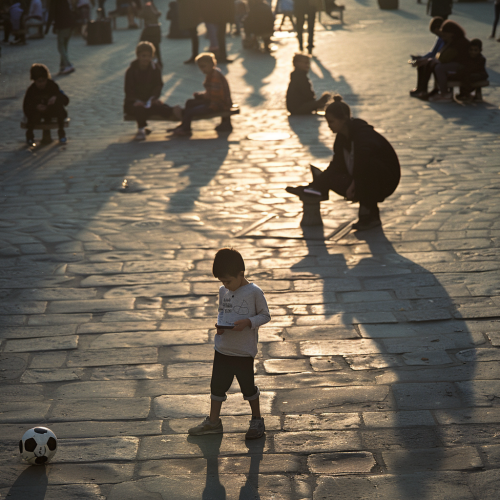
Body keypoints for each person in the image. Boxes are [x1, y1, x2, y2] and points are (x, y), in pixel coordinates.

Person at [188, 247, 271, 440]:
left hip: (243, 351)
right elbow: (221, 311)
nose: (225, 285)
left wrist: (249, 322)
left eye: (228, 281)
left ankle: (257, 419)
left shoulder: (254, 292)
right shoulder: (223, 291)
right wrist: (220, 325)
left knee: (248, 388)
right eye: (222, 282)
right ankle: (213, 421)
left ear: (241, 274)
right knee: (216, 387)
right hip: (223, 348)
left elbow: (265, 315)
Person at [286, 95, 400, 231]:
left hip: (383, 180)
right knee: (329, 175)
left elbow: (363, 162)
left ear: (344, 119)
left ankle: (371, 216)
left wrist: (354, 183)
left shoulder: (363, 134)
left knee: (367, 168)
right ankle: (314, 189)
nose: (329, 126)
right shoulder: (342, 137)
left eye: (332, 122)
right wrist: (319, 182)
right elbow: (337, 164)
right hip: (364, 177)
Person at [124, 41, 181, 141]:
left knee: (161, 107)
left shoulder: (155, 68)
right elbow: (129, 89)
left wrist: (154, 97)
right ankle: (141, 129)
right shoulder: (131, 70)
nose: (146, 59)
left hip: (149, 101)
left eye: (149, 56)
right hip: (134, 102)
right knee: (139, 110)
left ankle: (178, 115)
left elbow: (158, 85)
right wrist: (136, 101)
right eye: (143, 56)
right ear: (138, 56)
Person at [172, 52, 232, 136]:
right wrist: (201, 96)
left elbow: (215, 97)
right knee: (189, 102)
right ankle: (184, 125)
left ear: (212, 64)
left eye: (204, 66)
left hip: (218, 104)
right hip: (214, 101)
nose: (202, 69)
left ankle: (186, 129)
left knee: (190, 111)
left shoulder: (215, 76)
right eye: (200, 67)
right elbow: (211, 93)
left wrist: (208, 106)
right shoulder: (211, 73)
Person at [23, 63, 70, 147]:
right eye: (39, 81)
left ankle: (61, 133)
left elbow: (66, 100)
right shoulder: (31, 90)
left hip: (51, 111)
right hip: (38, 113)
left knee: (59, 106)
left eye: (43, 80)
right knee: (33, 116)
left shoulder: (52, 85)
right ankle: (30, 136)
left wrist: (56, 97)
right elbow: (26, 106)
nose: (41, 84)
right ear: (34, 81)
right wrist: (36, 107)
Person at [428, 19, 470, 102]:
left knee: (439, 68)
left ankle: (445, 93)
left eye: (444, 33)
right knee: (436, 65)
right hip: (458, 64)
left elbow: (445, 58)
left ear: (451, 33)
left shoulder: (459, 42)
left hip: (463, 66)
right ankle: (440, 90)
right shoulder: (453, 40)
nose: (442, 35)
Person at [409, 16, 444, 98]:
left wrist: (424, 59)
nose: (437, 35)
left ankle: (423, 89)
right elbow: (433, 52)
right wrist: (421, 58)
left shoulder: (445, 39)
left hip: (440, 61)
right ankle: (420, 88)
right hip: (435, 59)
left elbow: (438, 55)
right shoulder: (440, 38)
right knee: (421, 64)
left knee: (426, 64)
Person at [46, 0, 76, 75]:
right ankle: (63, 66)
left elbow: (51, 14)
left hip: (62, 25)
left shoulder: (54, 1)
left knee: (61, 46)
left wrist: (47, 28)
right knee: (65, 46)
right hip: (70, 24)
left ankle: (68, 65)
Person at [140, 0, 162, 68]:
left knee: (144, 45)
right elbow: (158, 14)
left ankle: (148, 61)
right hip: (156, 28)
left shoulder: (147, 6)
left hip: (150, 29)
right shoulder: (152, 5)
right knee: (156, 47)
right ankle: (159, 62)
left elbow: (141, 15)